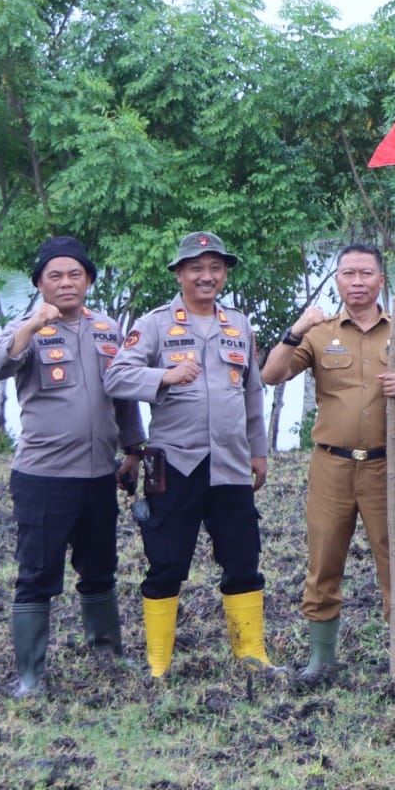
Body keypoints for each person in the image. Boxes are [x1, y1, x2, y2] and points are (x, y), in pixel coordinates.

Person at [260, 243, 395, 684]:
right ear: (337, 279)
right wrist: (295, 330)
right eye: (347, 274)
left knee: (394, 558)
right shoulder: (319, 334)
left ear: (381, 280)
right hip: (331, 466)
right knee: (323, 559)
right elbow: (271, 375)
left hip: (386, 464)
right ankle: (321, 660)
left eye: (365, 274)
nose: (356, 282)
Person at [102, 231, 273, 678]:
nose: (206, 276)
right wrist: (165, 375)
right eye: (196, 268)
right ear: (179, 273)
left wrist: (259, 451)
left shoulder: (238, 324)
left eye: (215, 268)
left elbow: (252, 393)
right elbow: (117, 377)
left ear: (225, 274)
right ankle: (158, 663)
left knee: (242, 560)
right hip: (175, 464)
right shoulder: (156, 324)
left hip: (232, 465)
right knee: (167, 562)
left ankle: (250, 655)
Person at [0, 235, 143, 697]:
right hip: (43, 476)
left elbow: (124, 394)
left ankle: (107, 651)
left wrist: (133, 450)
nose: (66, 283)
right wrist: (32, 327)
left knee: (99, 567)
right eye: (54, 276)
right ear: (39, 284)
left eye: (75, 274)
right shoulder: (26, 327)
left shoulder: (109, 329)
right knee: (37, 573)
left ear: (89, 280)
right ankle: (31, 674)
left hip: (98, 474)